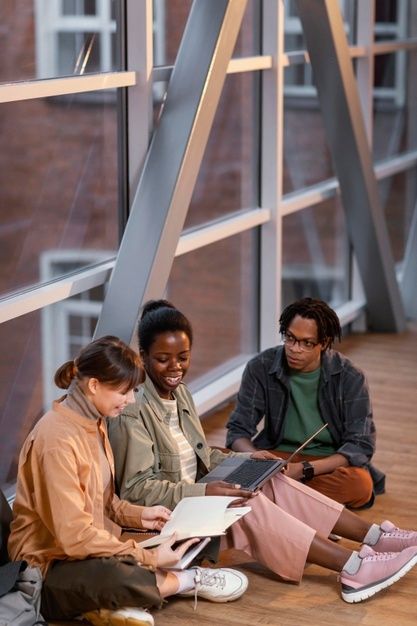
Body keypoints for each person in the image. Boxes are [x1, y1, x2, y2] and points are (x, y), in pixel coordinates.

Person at [108, 300, 417, 605]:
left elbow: (201, 456)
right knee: (249, 502)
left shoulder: (180, 392)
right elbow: (136, 491)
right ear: (143, 357)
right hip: (170, 513)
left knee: (270, 479)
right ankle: (355, 568)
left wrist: (249, 460)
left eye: (183, 357)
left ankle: (377, 538)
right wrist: (208, 491)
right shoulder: (131, 410)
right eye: (163, 359)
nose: (175, 367)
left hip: (198, 492)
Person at [8, 336, 248, 626]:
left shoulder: (94, 421)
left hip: (92, 547)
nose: (131, 400)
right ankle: (186, 581)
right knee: (123, 573)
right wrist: (148, 559)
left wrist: (141, 515)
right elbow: (74, 538)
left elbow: (104, 501)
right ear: (94, 385)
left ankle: (115, 602)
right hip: (50, 566)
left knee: (180, 542)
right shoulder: (57, 440)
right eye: (124, 391)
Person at [226, 297, 383, 509]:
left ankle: (268, 499)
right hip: (274, 456)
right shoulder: (260, 367)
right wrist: (256, 456)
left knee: (359, 485)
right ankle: (301, 505)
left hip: (324, 464)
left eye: (306, 343)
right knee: (215, 460)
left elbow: (360, 445)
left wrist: (303, 469)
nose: (294, 349)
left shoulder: (350, 376)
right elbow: (238, 431)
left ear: (324, 343)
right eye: (289, 338)